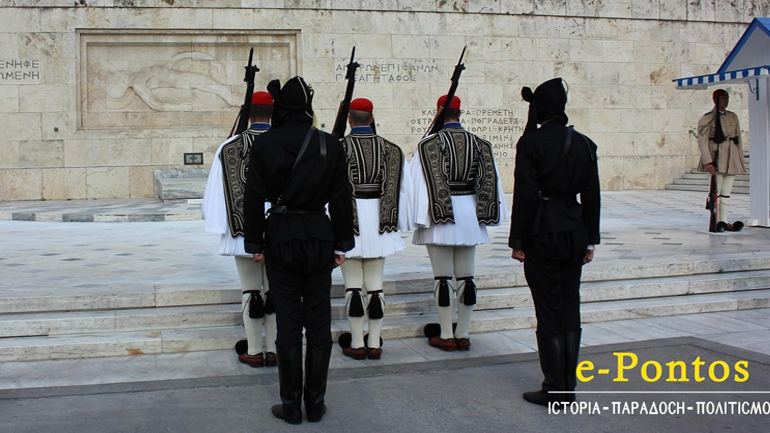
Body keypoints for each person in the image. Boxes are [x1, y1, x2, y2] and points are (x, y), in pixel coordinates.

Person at [243, 76, 354, 425]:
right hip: (319, 236)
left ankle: (291, 406)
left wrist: (254, 243)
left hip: (281, 236)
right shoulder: (329, 143)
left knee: (289, 324)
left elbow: (252, 197)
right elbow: (341, 197)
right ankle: (315, 404)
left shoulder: (264, 144)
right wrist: (342, 243)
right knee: (319, 322)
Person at [508, 77, 600, 407]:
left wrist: (517, 240)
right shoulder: (585, 144)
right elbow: (592, 196)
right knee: (569, 307)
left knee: (548, 309)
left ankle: (554, 387)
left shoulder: (531, 143)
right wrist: (591, 239)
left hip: (542, 232)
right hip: (574, 231)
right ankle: (567, 385)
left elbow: (524, 196)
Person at [411, 95, 507, 352]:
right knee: (467, 276)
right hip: (469, 213)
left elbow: (418, 185)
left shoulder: (428, 144)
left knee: (442, 277)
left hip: (439, 214)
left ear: (439, 111)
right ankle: (463, 334)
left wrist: (418, 217)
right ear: (460, 113)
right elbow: (491, 181)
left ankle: (445, 334)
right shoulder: (480, 144)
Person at [201, 91, 277, 368]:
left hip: (242, 231)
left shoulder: (229, 146)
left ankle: (254, 350)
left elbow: (216, 191)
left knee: (250, 290)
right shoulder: (285, 142)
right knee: (275, 291)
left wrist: (220, 223)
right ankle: (274, 348)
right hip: (280, 229)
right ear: (273, 113)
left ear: (248, 113)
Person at [336, 98, 413, 361]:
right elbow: (403, 190)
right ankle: (375, 342)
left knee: (353, 286)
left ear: (349, 120)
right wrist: (400, 222)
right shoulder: (392, 149)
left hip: (348, 221)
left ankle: (357, 343)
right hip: (381, 221)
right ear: (371, 118)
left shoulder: (338, 147)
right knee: (375, 285)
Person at [698, 89, 746, 232]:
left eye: (727, 98)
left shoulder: (732, 116)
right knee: (716, 191)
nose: (726, 101)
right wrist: (708, 162)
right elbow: (702, 142)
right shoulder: (707, 118)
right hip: (716, 155)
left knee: (726, 191)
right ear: (715, 100)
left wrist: (739, 158)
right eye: (723, 98)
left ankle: (723, 221)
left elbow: (738, 139)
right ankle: (716, 221)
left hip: (731, 155)